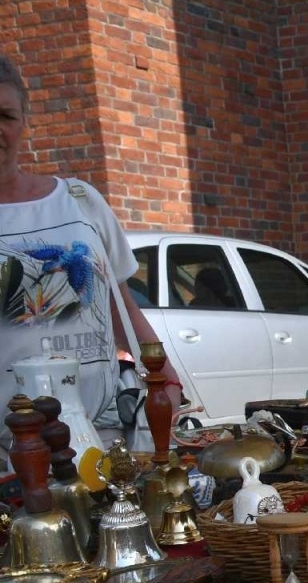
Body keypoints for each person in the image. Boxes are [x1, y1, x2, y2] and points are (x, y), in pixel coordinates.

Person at [0, 51, 180, 460]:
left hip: (100, 430)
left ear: (24, 123)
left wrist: (162, 373)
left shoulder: (80, 201)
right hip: (9, 447)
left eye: (6, 116)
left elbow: (120, 304)